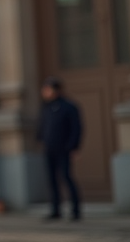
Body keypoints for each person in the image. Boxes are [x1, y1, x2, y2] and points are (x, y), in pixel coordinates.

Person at [37, 76, 83, 221]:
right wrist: (40, 139)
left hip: (64, 149)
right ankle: (55, 210)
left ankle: (75, 210)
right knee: (52, 180)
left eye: (48, 89)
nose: (45, 92)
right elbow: (43, 126)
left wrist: (74, 147)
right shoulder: (46, 107)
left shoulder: (68, 106)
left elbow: (76, 128)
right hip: (49, 149)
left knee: (66, 177)